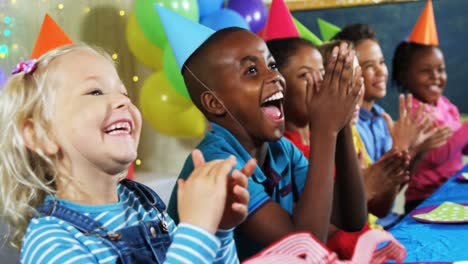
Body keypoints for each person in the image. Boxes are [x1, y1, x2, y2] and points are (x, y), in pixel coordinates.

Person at [0, 43, 253, 263]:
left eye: (124, 93)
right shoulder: (51, 243)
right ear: (40, 135)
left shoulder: (143, 206)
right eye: (95, 92)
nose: (124, 102)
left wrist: (217, 230)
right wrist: (197, 229)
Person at [156, 5, 367, 261]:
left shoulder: (282, 151)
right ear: (214, 103)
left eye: (272, 65)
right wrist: (325, 129)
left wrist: (341, 120)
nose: (275, 77)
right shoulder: (218, 164)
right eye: (252, 71)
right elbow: (303, 249)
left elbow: (351, 218)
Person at [392, 32, 467, 214]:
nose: (435, 76)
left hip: (452, 189)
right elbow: (435, 157)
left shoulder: (445, 105)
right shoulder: (413, 111)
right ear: (404, 77)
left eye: (440, 69)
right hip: (424, 199)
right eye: (426, 71)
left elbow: (461, 149)